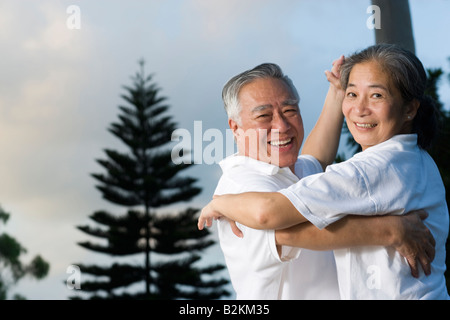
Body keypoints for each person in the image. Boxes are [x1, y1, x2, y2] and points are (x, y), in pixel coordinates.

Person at [198, 44, 449, 300]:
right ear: (236, 127)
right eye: (264, 116)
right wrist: (391, 230)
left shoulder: (313, 172)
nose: (282, 125)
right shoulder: (241, 188)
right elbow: (268, 216)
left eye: (290, 110)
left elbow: (315, 160)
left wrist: (340, 91)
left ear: (410, 108)